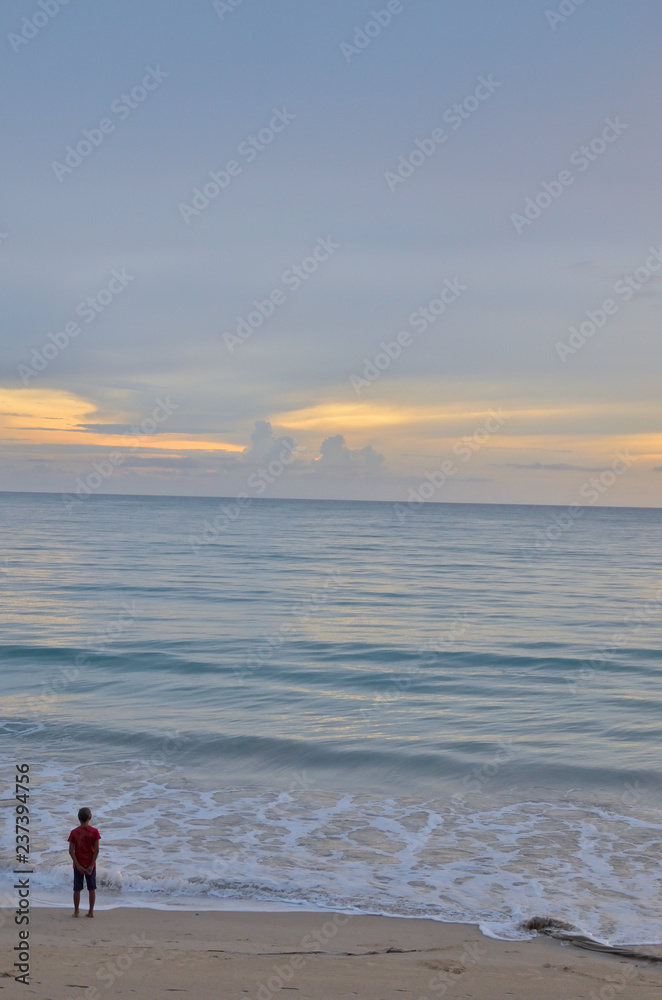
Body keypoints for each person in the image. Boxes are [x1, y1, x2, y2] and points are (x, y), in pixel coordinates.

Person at [68, 807, 101, 917]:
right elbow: (96, 850)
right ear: (90, 817)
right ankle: (91, 911)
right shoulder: (94, 832)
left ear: (78, 818)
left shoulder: (74, 832)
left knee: (77, 889)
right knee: (92, 888)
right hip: (90, 864)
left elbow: (71, 851)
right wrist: (91, 865)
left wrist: (77, 865)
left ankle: (76, 911)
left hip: (78, 864)